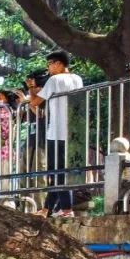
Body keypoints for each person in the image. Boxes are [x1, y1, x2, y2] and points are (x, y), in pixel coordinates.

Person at [30, 50, 84, 216]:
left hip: (56, 132)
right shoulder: (78, 78)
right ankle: (47, 209)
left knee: (57, 173)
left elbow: (35, 102)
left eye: (50, 63)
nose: (49, 67)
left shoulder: (54, 80)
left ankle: (67, 210)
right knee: (60, 171)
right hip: (74, 132)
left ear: (59, 63)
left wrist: (32, 88)